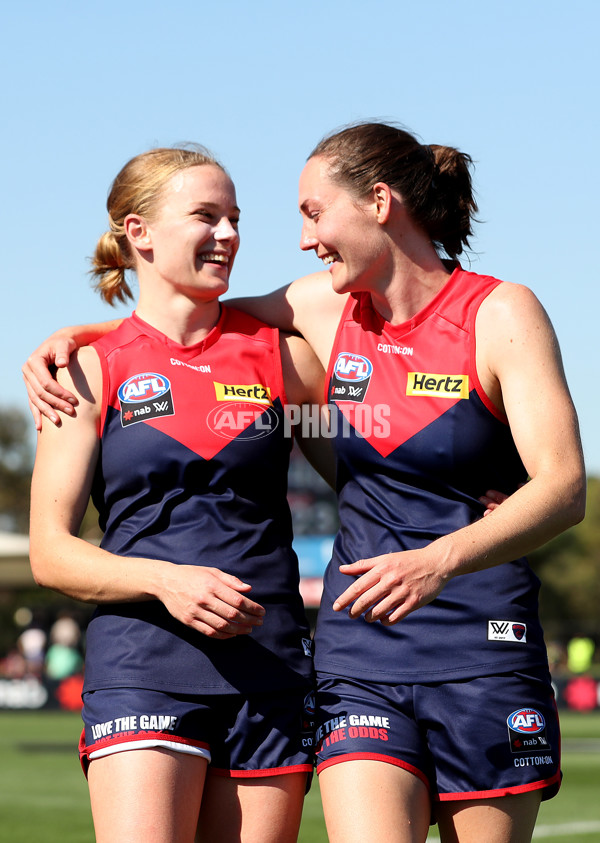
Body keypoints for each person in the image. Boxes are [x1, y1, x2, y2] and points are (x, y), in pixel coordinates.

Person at [24, 121, 585, 843]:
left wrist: (445, 553)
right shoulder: (319, 310)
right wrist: (78, 336)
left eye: (311, 213)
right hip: (345, 653)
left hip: (465, 639)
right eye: (210, 216)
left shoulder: (485, 314)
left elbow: (559, 484)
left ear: (378, 203)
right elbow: (172, 324)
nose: (293, 237)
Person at [28, 144, 330, 843]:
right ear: (139, 232)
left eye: (234, 218)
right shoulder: (86, 372)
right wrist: (167, 581)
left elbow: (370, 475)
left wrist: (477, 496)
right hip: (142, 663)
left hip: (270, 663)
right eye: (206, 216)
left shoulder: (285, 357)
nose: (228, 235)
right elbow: (50, 550)